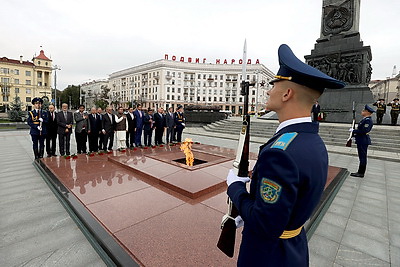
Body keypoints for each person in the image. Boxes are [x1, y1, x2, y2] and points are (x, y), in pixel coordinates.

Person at [225, 44, 345, 266]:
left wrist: (236, 188)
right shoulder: (312, 141)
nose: (269, 91)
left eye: (274, 84)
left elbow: (265, 224)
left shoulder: (281, 153)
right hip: (293, 249)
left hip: (268, 256)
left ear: (287, 93)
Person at [350, 105, 374, 178]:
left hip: (363, 140)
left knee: (362, 157)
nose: (362, 112)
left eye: (363, 111)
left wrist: (354, 131)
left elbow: (364, 130)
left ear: (367, 112)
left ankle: (361, 172)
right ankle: (360, 171)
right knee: (361, 156)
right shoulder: (364, 119)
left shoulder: (368, 120)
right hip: (361, 139)